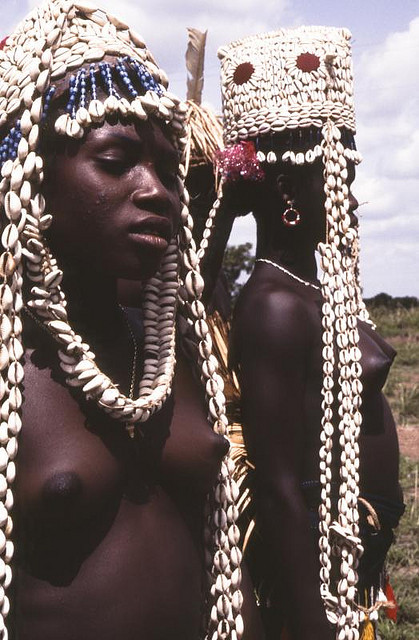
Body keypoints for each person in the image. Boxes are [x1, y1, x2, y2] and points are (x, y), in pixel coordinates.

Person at [0, 2, 246, 639]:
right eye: (115, 160)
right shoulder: (8, 366)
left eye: (167, 170)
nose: (157, 190)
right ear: (30, 178)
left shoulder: (169, 347)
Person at [202, 26, 405, 640]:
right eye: (335, 169)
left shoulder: (316, 285)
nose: (347, 187)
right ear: (290, 191)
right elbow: (284, 488)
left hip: (350, 576)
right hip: (318, 595)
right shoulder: (277, 308)